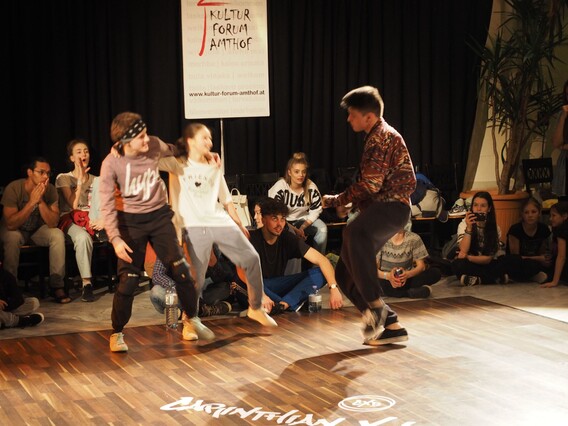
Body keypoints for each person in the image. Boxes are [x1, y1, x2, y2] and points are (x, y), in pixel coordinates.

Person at [158, 122, 277, 336]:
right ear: (191, 141)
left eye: (210, 138)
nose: (210, 142)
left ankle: (255, 307)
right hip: (195, 225)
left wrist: (239, 224)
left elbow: (226, 199)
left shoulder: (213, 164)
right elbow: (151, 158)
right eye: (204, 138)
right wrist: (176, 150)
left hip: (218, 220)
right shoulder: (178, 164)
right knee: (197, 278)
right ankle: (189, 320)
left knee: (251, 258)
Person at [98, 112, 201, 352]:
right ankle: (117, 333)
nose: (147, 139)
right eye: (141, 137)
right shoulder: (111, 163)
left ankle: (190, 319)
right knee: (128, 281)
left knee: (181, 271)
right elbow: (106, 204)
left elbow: (174, 149)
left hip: (158, 216)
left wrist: (202, 153)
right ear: (126, 141)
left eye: (146, 134)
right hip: (129, 222)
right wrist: (115, 239)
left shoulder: (153, 144)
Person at [322, 86, 416, 346]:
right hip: (383, 209)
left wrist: (337, 199)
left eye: (352, 114)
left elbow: (371, 185)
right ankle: (391, 325)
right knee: (344, 273)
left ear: (369, 117)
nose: (348, 119)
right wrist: (351, 203)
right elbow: (373, 186)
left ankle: (375, 307)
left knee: (354, 233)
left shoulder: (381, 137)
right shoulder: (375, 136)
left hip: (393, 207)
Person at [245, 198, 343, 314]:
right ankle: (289, 303)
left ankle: (283, 305)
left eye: (282, 219)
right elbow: (243, 272)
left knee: (320, 272)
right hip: (255, 286)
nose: (279, 224)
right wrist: (261, 294)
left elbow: (322, 260)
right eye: (274, 219)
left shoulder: (287, 237)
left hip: (277, 284)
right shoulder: (252, 239)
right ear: (263, 219)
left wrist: (333, 288)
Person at [0, 157, 70, 304]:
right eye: (41, 172)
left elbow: (53, 223)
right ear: (30, 172)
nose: (45, 176)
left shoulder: (50, 190)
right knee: (12, 238)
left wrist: (40, 200)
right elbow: (11, 224)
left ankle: (56, 285)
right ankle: (11, 288)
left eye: (48, 173)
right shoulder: (14, 188)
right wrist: (31, 202)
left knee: (57, 234)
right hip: (16, 230)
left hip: (36, 231)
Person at [55, 139, 105, 302]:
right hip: (71, 218)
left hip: (91, 218)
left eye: (86, 151)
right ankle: (87, 283)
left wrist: (101, 219)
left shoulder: (96, 180)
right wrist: (79, 181)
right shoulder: (63, 178)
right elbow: (73, 205)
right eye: (79, 152)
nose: (83, 154)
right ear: (71, 158)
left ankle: (128, 278)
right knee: (82, 238)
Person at [269, 152, 328, 254]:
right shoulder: (280, 187)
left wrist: (302, 227)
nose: (301, 175)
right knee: (291, 235)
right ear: (289, 172)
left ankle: (317, 261)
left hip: (303, 220)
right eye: (296, 172)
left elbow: (316, 210)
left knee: (322, 228)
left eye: (303, 172)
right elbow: (275, 213)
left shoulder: (311, 186)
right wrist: (295, 230)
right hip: (284, 221)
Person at [150, 246, 234, 317]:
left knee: (225, 287)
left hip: (201, 289)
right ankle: (205, 310)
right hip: (178, 292)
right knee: (156, 292)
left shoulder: (211, 245)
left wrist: (214, 263)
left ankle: (182, 312)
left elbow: (224, 277)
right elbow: (157, 274)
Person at [452, 191, 506, 285]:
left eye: (483, 206)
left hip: (486, 262)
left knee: (504, 262)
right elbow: (463, 250)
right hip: (470, 264)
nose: (478, 209)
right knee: (457, 265)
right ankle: (493, 279)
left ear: (489, 209)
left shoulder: (495, 228)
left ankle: (477, 279)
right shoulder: (464, 224)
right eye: (475, 205)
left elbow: (488, 259)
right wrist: (469, 228)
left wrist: (468, 257)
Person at [377, 224, 441, 299]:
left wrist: (407, 275)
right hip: (385, 278)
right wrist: (388, 276)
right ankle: (409, 293)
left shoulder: (414, 238)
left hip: (406, 278)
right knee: (372, 281)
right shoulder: (379, 239)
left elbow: (421, 266)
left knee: (435, 273)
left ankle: (392, 291)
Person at [503, 197, 551, 284]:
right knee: (513, 263)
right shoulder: (515, 229)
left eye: (533, 212)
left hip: (534, 262)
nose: (530, 215)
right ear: (522, 214)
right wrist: (538, 258)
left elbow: (542, 253)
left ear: (539, 213)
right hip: (519, 262)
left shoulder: (543, 229)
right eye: (526, 212)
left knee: (549, 263)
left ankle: (530, 275)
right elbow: (516, 257)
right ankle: (529, 276)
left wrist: (543, 259)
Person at [540, 201, 568, 288]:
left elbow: (561, 256)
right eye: (550, 215)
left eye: (554, 215)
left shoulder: (562, 229)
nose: (550, 219)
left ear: (564, 216)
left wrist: (554, 282)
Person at [551, 80, 568, 197]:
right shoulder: (562, 114)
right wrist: (563, 118)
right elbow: (557, 143)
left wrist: (565, 146)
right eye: (567, 94)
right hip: (565, 162)